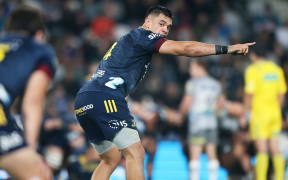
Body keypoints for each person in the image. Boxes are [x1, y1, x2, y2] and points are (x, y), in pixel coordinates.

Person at [74, 5, 255, 180]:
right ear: (147, 22)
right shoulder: (143, 35)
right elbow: (185, 49)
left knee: (110, 159)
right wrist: (227, 49)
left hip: (84, 100)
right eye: (161, 24)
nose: (165, 29)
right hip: (105, 97)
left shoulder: (128, 42)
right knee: (136, 153)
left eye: (168, 26)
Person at [0, 6, 57, 179]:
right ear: (39, 34)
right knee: (40, 173)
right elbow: (32, 103)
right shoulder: (39, 51)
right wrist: (31, 148)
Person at [242, 47, 287, 180]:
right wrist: (276, 109)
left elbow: (249, 93)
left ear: (253, 55)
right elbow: (282, 93)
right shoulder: (276, 69)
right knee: (275, 148)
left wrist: (245, 113)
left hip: (260, 115)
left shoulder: (253, 70)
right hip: (275, 115)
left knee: (261, 150)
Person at [179, 60, 224, 180]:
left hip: (197, 123)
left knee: (195, 154)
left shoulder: (192, 83)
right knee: (212, 153)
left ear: (200, 66)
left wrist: (181, 115)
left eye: (192, 67)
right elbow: (221, 104)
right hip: (212, 122)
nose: (190, 71)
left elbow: (187, 103)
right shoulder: (216, 84)